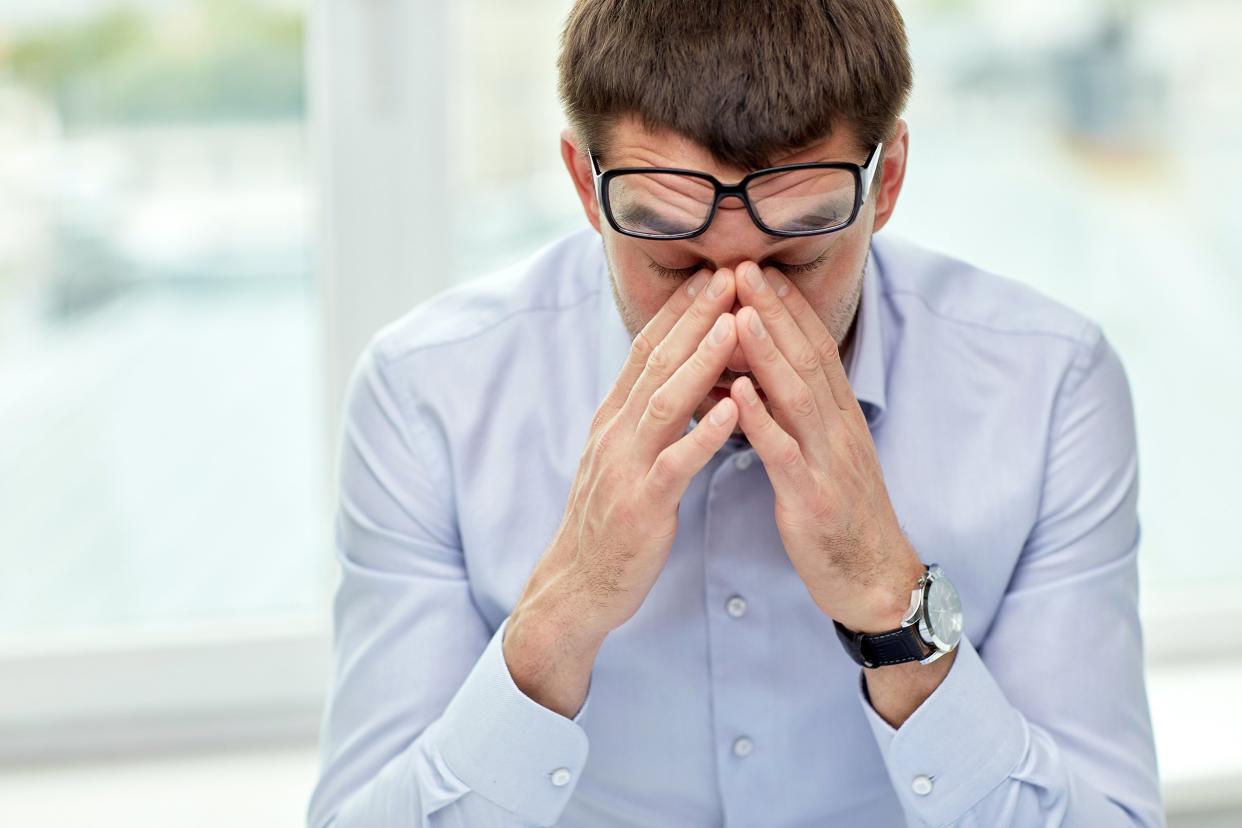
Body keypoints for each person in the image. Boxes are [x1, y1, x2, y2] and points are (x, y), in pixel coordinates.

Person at [307, 1, 1164, 825]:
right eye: (675, 262)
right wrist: (567, 607)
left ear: (888, 181)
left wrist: (890, 602)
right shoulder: (426, 393)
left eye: (794, 258)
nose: (733, 318)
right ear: (582, 180)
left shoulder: (1050, 386)